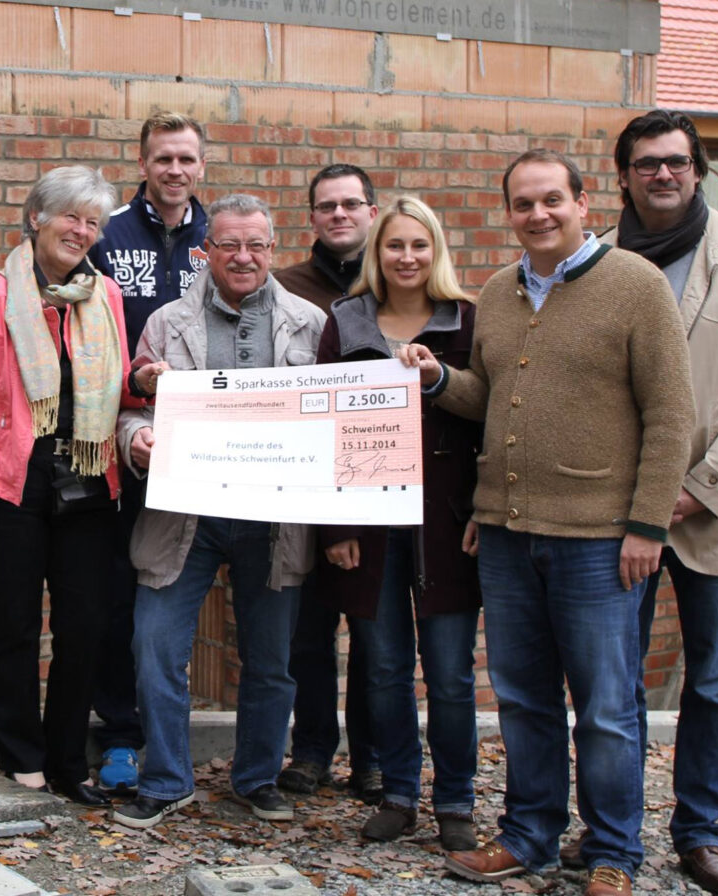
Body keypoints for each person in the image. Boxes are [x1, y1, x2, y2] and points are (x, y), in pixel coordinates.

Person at [400, 149, 695, 896]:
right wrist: (439, 380)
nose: (538, 214)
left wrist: (648, 525)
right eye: (524, 204)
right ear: (509, 214)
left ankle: (613, 852)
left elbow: (670, 414)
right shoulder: (499, 292)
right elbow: (492, 399)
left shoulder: (636, 286)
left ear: (583, 203)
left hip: (600, 539)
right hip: (506, 535)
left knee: (604, 708)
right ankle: (529, 834)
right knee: (523, 698)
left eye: (552, 200)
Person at [565, 109, 718, 895]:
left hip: (713, 511)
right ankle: (610, 831)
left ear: (698, 169)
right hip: (615, 512)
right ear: (622, 177)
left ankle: (699, 833)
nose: (663, 174)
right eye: (647, 163)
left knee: (715, 682)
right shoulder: (594, 262)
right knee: (609, 684)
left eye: (677, 162)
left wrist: (694, 490)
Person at [0, 166, 162, 806]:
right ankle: (22, 755)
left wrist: (140, 382)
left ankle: (67, 760)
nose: (82, 231)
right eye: (71, 217)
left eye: (93, 222)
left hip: (88, 480)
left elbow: (113, 388)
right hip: (8, 485)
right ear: (37, 217)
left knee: (85, 627)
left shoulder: (105, 294)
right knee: (12, 628)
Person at [111, 194, 327, 830]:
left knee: (271, 661)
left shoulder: (311, 324)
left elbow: (335, 415)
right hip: (185, 518)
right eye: (228, 244)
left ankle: (257, 777)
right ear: (206, 251)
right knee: (154, 645)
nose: (242, 257)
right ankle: (167, 780)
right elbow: (131, 409)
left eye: (255, 245)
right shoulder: (166, 323)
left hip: (275, 521)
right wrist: (136, 440)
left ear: (272, 249)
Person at [314, 196, 483, 849]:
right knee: (383, 667)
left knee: (450, 673)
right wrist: (335, 528)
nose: (406, 257)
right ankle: (399, 793)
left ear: (435, 250)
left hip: (446, 521)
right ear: (376, 253)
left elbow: (492, 415)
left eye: (419, 244)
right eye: (394, 245)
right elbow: (324, 426)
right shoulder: (346, 320)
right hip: (370, 523)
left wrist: (483, 512)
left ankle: (456, 801)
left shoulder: (467, 320)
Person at [86, 112, 209, 792]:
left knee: (173, 591)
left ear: (201, 165)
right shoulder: (108, 233)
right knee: (116, 591)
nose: (175, 170)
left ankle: (168, 734)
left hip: (203, 450)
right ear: (143, 163)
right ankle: (120, 734)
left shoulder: (218, 238)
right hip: (120, 444)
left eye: (186, 158)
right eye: (164, 158)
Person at [274, 164, 382, 803]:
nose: (339, 214)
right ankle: (312, 749)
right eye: (326, 206)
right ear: (311, 217)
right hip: (301, 488)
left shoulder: (394, 283)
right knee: (306, 634)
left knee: (374, 636)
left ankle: (371, 758)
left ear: (372, 211)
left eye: (350, 204)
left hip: (372, 486)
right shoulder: (285, 288)